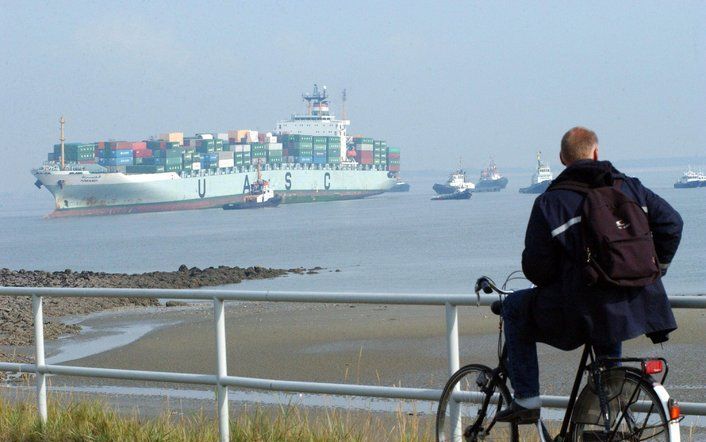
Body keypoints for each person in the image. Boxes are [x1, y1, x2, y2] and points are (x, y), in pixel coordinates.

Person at [496, 126, 683, 423]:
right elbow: (672, 224)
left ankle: (527, 399)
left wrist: (562, 279)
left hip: (579, 308)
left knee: (514, 307)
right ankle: (604, 419)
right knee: (606, 364)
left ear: (561, 158)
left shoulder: (551, 202)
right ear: (597, 153)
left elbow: (536, 267)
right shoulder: (630, 187)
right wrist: (655, 270)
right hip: (633, 305)